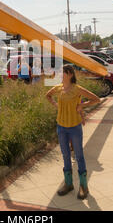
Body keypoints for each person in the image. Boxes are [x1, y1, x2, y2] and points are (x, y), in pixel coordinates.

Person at [46, 65, 100, 200]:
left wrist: (82, 105)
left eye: (62, 72)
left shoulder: (77, 89)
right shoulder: (58, 88)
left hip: (75, 127)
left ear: (69, 74)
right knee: (65, 155)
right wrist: (56, 105)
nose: (59, 74)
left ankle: (83, 187)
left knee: (79, 156)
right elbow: (48, 95)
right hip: (61, 127)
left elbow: (96, 99)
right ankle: (68, 184)